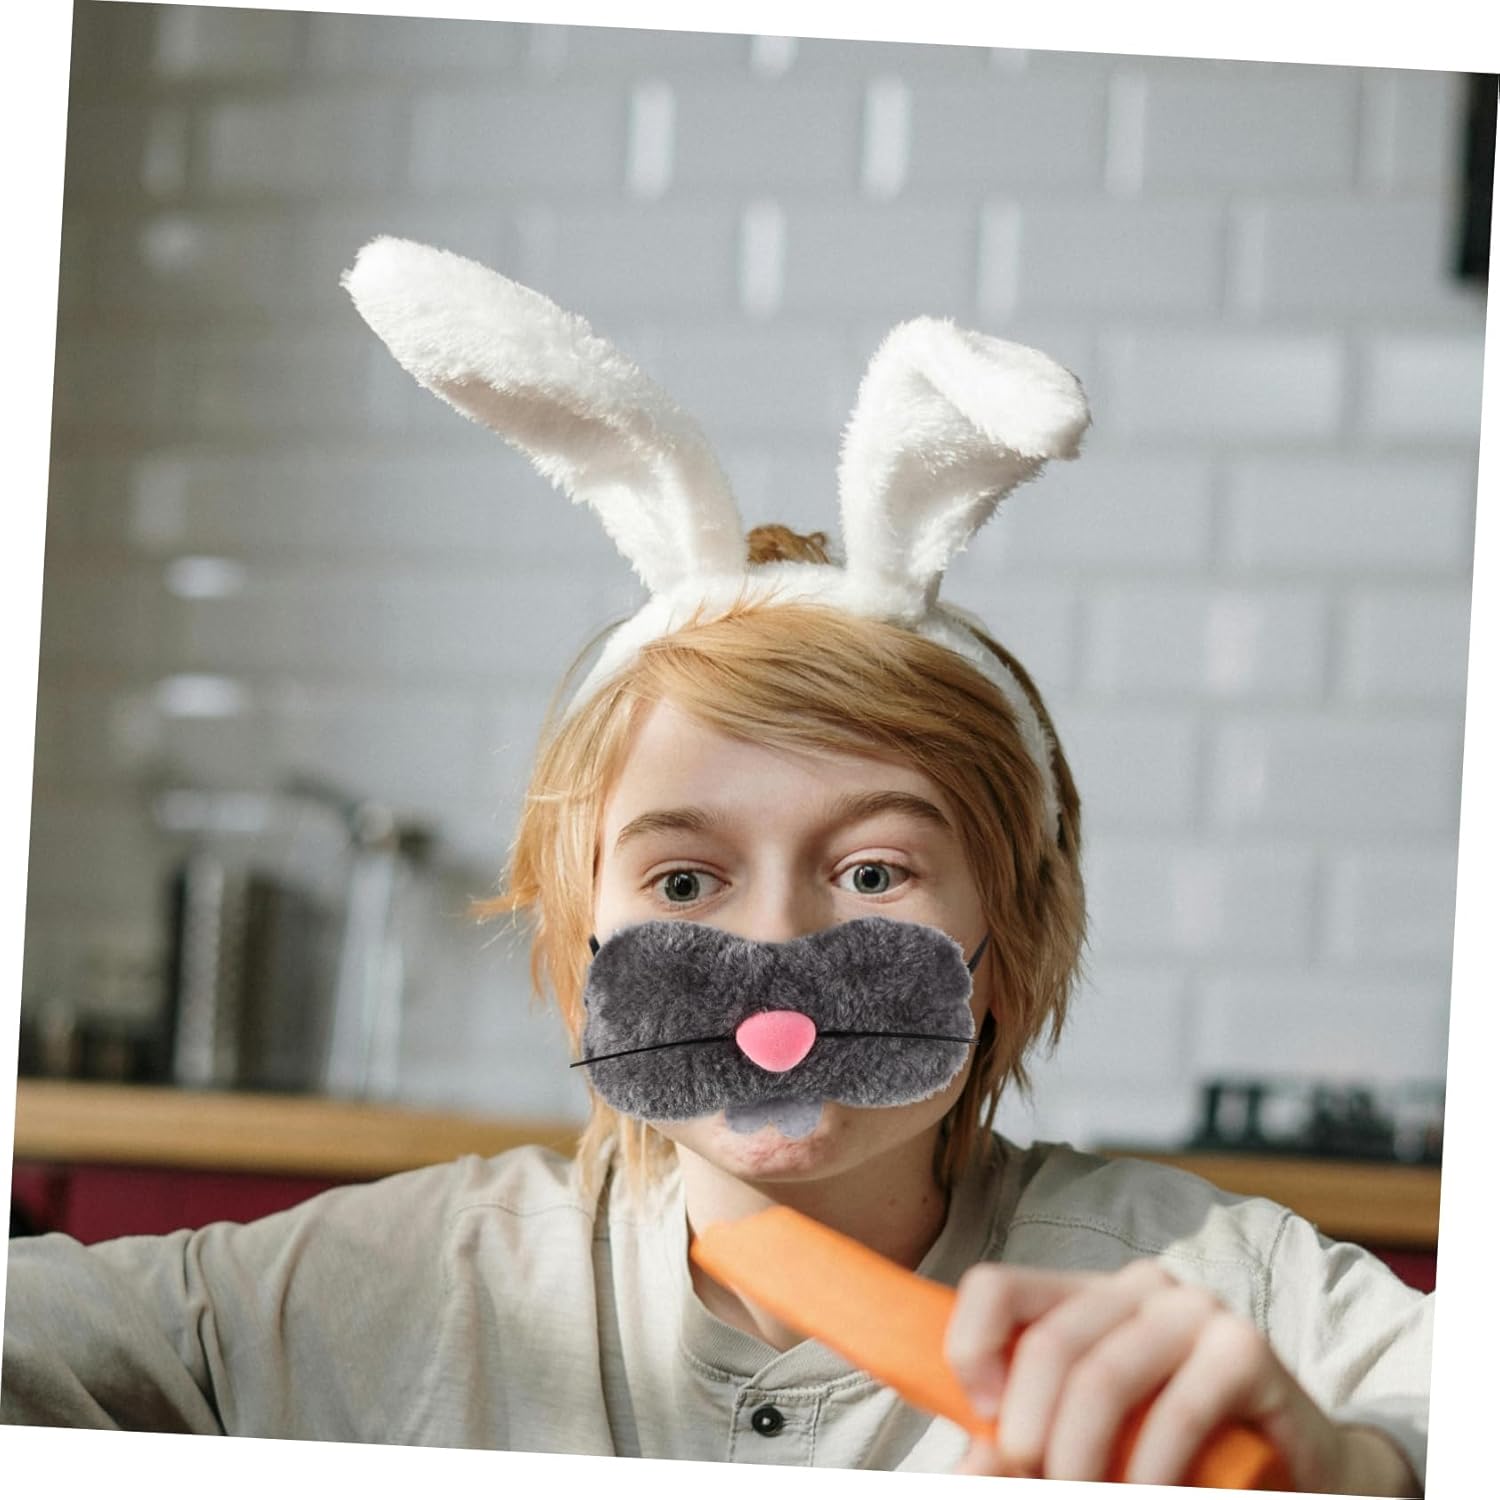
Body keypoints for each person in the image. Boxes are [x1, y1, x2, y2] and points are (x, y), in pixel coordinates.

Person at [2, 240, 1430, 1492]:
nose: (777, 954)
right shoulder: (385, 1288)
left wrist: (1355, 1467)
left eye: (874, 874)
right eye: (684, 883)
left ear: (1018, 937)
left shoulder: (1225, 1293)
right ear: (579, 940)